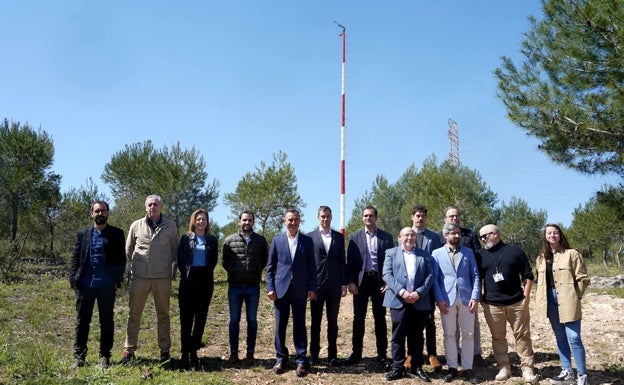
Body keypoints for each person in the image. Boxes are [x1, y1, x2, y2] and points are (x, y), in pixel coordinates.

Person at [120, 194, 178, 364]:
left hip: (162, 277)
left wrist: (171, 270)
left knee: (163, 315)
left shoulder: (170, 226)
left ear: (161, 207)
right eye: (150, 205)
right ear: (146, 207)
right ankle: (129, 350)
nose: (153, 207)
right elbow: (128, 250)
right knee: (134, 314)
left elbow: (175, 250)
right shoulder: (136, 225)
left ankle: (165, 351)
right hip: (140, 277)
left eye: (156, 204)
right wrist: (135, 268)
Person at [476, 224, 537, 383]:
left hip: (516, 302)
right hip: (492, 304)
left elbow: (528, 274)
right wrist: (480, 298)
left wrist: (526, 296)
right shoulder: (480, 255)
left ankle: (527, 368)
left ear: (495, 234)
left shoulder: (515, 251)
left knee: (523, 336)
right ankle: (504, 367)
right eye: (481, 237)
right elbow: (476, 278)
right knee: (498, 337)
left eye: (485, 236)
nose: (483, 239)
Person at [68, 201, 126, 369]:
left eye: (103, 211)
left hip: (106, 285)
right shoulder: (83, 233)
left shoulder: (116, 233)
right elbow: (75, 257)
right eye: (97, 211)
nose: (100, 213)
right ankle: (79, 357)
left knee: (106, 322)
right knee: (82, 321)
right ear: (91, 214)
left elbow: (121, 260)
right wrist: (73, 279)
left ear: (108, 213)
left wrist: (116, 281)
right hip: (85, 285)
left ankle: (104, 356)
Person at [535, 224, 590, 385]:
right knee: (560, 337)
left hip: (568, 298)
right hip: (550, 300)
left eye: (555, 232)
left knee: (574, 337)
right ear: (545, 236)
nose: (552, 235)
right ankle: (567, 371)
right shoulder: (541, 258)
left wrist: (575, 295)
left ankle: (582, 375)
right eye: (549, 233)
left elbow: (583, 278)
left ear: (560, 235)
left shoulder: (572, 254)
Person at [266, 209, 317, 378]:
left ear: (299, 221)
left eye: (295, 220)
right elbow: (270, 267)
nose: (293, 223)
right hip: (281, 289)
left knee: (300, 325)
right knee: (280, 325)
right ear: (284, 221)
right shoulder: (277, 240)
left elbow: (312, 267)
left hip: (300, 289)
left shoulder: (307, 241)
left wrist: (312, 287)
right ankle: (281, 358)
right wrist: (270, 287)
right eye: (290, 220)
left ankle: (301, 360)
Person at [344, 206, 395, 365]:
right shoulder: (354, 237)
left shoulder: (386, 237)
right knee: (358, 318)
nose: (368, 218)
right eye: (365, 216)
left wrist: (388, 281)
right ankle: (356, 353)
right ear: (362, 218)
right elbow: (350, 262)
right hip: (361, 282)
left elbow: (391, 261)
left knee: (380, 318)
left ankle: (382, 354)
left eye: (371, 216)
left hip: (379, 282)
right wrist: (351, 282)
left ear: (376, 218)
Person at [432, 222, 480, 384]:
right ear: (446, 236)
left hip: (467, 298)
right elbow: (436, 279)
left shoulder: (468, 252)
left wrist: (475, 296)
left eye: (458, 233)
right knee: (449, 334)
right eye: (453, 233)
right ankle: (452, 367)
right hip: (447, 299)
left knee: (468, 334)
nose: (457, 236)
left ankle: (468, 368)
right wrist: (439, 299)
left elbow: (475, 275)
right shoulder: (436, 254)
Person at [383, 227, 433, 381]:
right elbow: (387, 274)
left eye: (412, 235)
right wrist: (402, 292)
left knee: (417, 335)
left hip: (419, 300)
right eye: (406, 235)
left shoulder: (424, 255)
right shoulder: (391, 253)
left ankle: (417, 366)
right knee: (398, 335)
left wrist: (419, 292)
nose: (410, 238)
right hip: (399, 300)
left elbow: (430, 275)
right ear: (400, 237)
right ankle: (397, 367)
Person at [222, 210, 268, 366]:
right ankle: (234, 353)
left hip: (253, 287)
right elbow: (224, 262)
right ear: (239, 221)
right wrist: (236, 272)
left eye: (249, 220)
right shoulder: (229, 240)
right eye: (244, 220)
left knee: (252, 321)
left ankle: (250, 353)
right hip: (235, 286)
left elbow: (264, 260)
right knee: (234, 320)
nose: (247, 223)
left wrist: (253, 272)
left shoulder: (260, 241)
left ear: (253, 222)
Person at [440, 205, 484, 364]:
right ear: (445, 219)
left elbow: (477, 259)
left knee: (472, 326)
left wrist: (476, 292)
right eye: (451, 216)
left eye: (457, 215)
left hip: (467, 289)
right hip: (447, 291)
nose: (454, 218)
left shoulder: (469, 234)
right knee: (451, 328)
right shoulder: (440, 236)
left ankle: (475, 354)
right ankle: (456, 355)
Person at [177, 209, 218, 369]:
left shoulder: (212, 240)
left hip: (205, 281)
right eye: (198, 219)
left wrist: (203, 274)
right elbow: (181, 260)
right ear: (194, 221)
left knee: (200, 320)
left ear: (207, 222)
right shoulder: (186, 238)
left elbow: (213, 261)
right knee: (186, 320)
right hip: (188, 281)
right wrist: (188, 275)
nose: (201, 222)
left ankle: (194, 353)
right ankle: (184, 354)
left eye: (204, 219)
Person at [307, 206, 347, 366]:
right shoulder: (310, 237)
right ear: (318, 217)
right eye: (323, 216)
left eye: (328, 216)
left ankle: (333, 355)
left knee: (333, 322)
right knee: (315, 321)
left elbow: (342, 262)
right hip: (316, 285)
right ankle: (314, 355)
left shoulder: (338, 237)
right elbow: (309, 263)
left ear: (331, 217)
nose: (325, 219)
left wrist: (344, 283)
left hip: (334, 286)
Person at [410, 205, 443, 372]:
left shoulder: (433, 237)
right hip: (410, 285)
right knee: (410, 321)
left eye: (423, 216)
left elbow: (437, 261)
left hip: (428, 285)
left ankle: (432, 354)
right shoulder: (407, 234)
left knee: (429, 321)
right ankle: (410, 354)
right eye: (417, 215)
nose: (420, 218)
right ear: (412, 217)